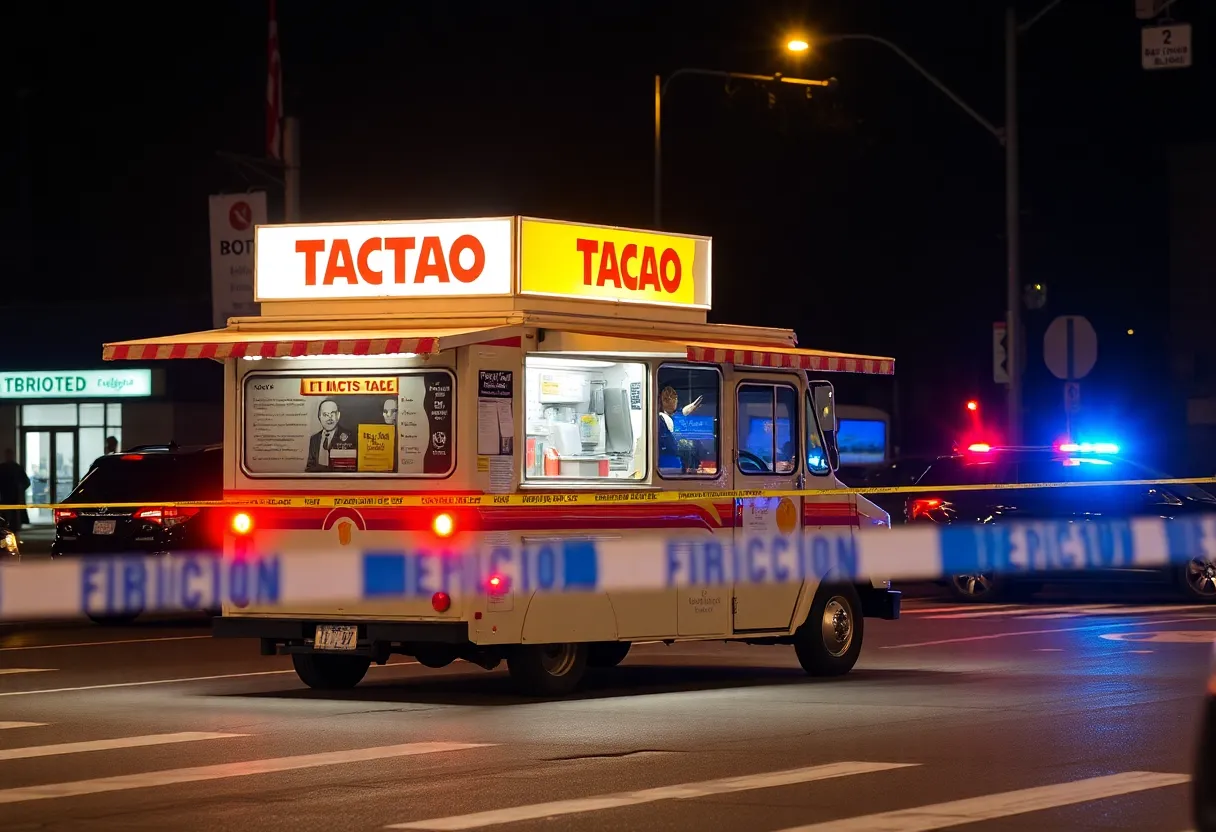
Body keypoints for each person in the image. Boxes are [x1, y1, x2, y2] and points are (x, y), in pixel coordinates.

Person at [658, 386, 703, 472]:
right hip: (669, 463)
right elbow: (672, 444)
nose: (675, 401)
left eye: (675, 398)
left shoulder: (674, 417)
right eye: (672, 399)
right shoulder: (662, 419)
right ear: (663, 401)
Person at [306, 399, 355, 472]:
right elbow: (310, 466)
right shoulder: (314, 439)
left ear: (338, 416)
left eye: (332, 413)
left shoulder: (350, 437)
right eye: (325, 414)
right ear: (319, 417)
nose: (329, 418)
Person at [0, 448, 30, 533]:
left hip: (13, 496)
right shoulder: (5, 467)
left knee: (13, 515)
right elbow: (26, 482)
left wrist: (20, 489)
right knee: (6, 514)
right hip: (5, 495)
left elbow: (26, 482)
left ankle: (13, 528)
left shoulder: (16, 468)